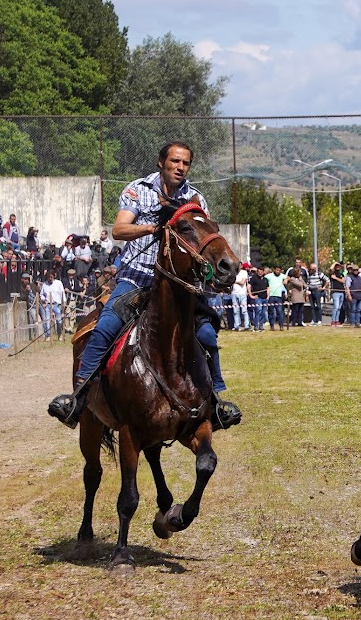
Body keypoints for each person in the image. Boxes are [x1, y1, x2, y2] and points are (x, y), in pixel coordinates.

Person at [48, 141, 240, 429]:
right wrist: (152, 228)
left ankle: (216, 402)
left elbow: (201, 238)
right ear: (161, 162)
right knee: (105, 327)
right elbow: (119, 229)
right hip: (136, 276)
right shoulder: (138, 190)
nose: (180, 167)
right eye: (175, 161)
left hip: (179, 284)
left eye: (185, 163)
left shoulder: (195, 198)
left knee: (207, 336)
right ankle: (78, 397)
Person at [39, 269, 65, 340]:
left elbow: (62, 293)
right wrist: (43, 299)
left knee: (59, 321)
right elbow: (41, 294)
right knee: (47, 320)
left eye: (51, 277)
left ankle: (60, 334)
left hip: (57, 305)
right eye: (49, 277)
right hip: (48, 304)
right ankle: (48, 336)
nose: (50, 279)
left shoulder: (58, 283)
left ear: (54, 276)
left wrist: (64, 303)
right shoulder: (44, 284)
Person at [265, 264, 287, 330]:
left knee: (280, 311)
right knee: (271, 311)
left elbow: (288, 277)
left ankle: (281, 326)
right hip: (271, 296)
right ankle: (272, 326)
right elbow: (264, 278)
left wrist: (286, 280)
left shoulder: (282, 276)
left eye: (279, 270)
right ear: (274, 270)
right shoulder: (269, 276)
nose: (278, 271)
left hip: (279, 296)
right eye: (277, 270)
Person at [230, 262, 251, 331]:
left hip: (242, 294)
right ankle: (236, 325)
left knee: (244, 311)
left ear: (241, 266)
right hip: (234, 293)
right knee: (236, 311)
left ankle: (247, 325)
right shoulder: (233, 273)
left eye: (239, 265)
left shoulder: (244, 272)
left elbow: (242, 282)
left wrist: (235, 281)